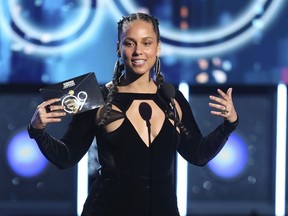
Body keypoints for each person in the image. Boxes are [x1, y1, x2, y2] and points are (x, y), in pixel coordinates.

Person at [27, 12, 238, 216]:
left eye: (147, 43)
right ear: (118, 49)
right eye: (129, 43)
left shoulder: (173, 98)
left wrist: (229, 124)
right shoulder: (96, 97)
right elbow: (66, 158)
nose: (138, 51)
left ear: (158, 48)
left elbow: (198, 154)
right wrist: (38, 131)